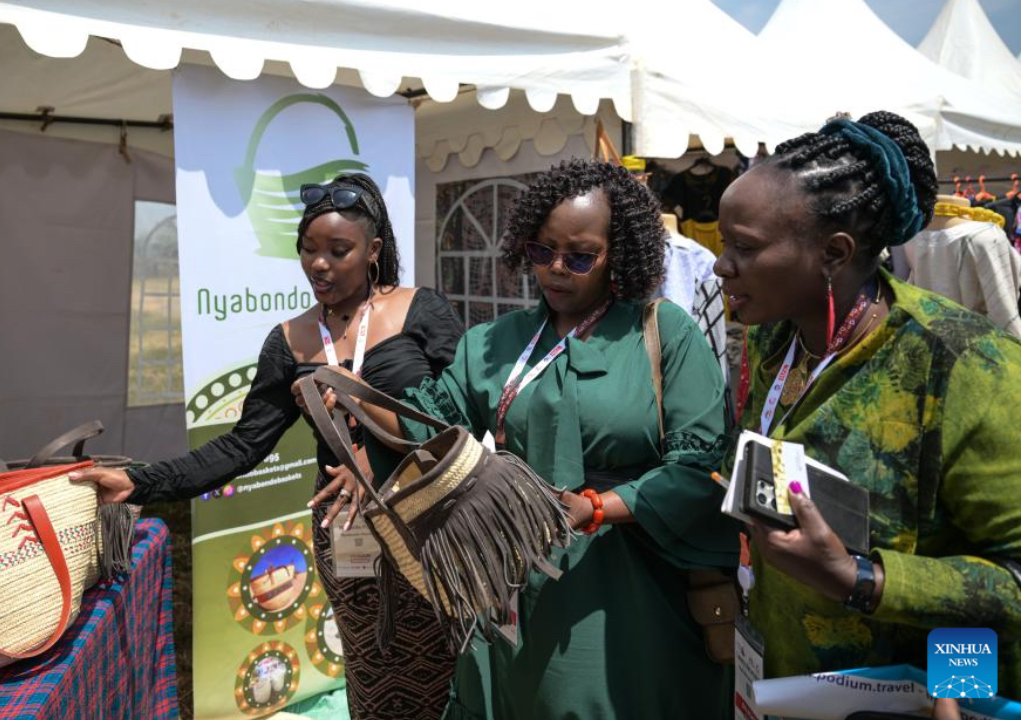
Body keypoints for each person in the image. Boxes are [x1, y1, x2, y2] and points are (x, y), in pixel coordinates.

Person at [300, 159, 738, 719]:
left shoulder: (662, 330)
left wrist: (597, 508)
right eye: (540, 251)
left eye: (579, 257)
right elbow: (425, 427)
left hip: (634, 582)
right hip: (517, 574)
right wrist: (355, 394)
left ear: (618, 255)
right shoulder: (495, 342)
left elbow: (700, 466)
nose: (556, 270)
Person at [73, 174, 464, 719]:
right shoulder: (289, 341)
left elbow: (460, 418)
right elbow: (241, 446)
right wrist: (140, 481)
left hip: (431, 528)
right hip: (349, 537)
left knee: (450, 676)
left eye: (338, 250)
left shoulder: (420, 311)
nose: (318, 265)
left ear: (373, 251)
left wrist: (373, 452)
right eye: (307, 250)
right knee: (376, 683)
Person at [716, 111, 1021, 698]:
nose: (720, 264)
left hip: (915, 700)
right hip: (781, 686)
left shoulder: (964, 366)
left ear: (834, 252)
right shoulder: (774, 338)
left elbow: (1013, 578)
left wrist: (862, 580)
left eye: (744, 248)